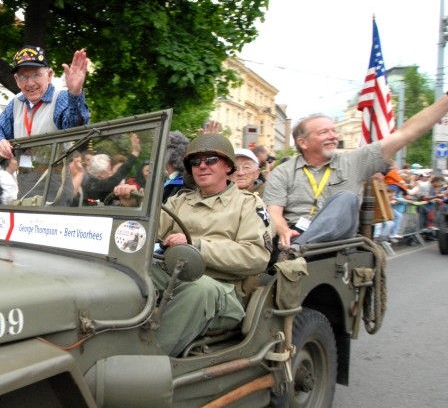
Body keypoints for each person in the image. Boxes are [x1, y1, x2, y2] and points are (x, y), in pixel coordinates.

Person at [264, 94, 448, 248]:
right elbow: (274, 212)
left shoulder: (355, 161)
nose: (334, 136)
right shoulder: (284, 171)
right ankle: (298, 247)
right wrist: (284, 231)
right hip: (295, 235)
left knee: (346, 198)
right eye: (324, 132)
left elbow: (406, 133)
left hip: (336, 243)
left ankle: (300, 248)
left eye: (334, 131)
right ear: (303, 142)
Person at [151, 134, 273, 357]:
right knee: (136, 272)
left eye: (211, 160)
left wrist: (197, 246)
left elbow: (256, 256)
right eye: (195, 162)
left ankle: (150, 361)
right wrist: (132, 205)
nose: (202, 166)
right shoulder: (180, 200)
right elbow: (151, 228)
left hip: (224, 287)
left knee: (199, 289)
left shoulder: (248, 204)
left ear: (228, 166)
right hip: (174, 273)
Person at [0, 46, 90, 159]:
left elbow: (74, 126)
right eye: (23, 77)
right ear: (16, 80)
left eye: (36, 75)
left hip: (56, 174)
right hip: (25, 174)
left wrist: (75, 94)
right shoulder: (16, 103)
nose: (30, 83)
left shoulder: (61, 97)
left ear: (49, 75)